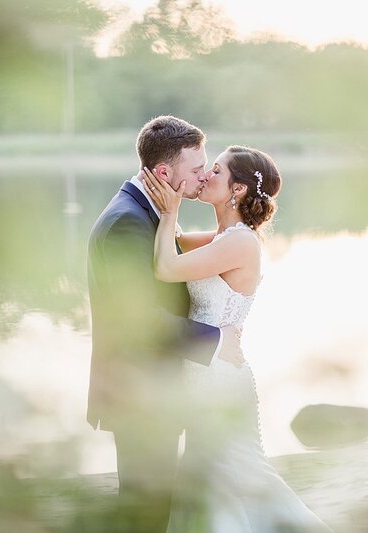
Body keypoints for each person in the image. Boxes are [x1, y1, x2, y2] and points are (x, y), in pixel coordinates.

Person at [142, 145, 333, 532]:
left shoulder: (239, 243)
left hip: (220, 381)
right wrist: (167, 192)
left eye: (215, 171)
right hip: (203, 373)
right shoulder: (222, 236)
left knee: (238, 476)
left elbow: (166, 266)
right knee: (207, 480)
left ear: (239, 189)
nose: (206, 176)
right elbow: (173, 241)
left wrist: (170, 210)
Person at [86, 116, 244, 533]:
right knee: (145, 516)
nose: (202, 176)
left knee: (151, 512)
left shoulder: (150, 212)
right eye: (195, 170)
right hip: (139, 393)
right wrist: (216, 338)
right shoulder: (128, 223)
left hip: (152, 390)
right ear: (163, 173)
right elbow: (139, 320)